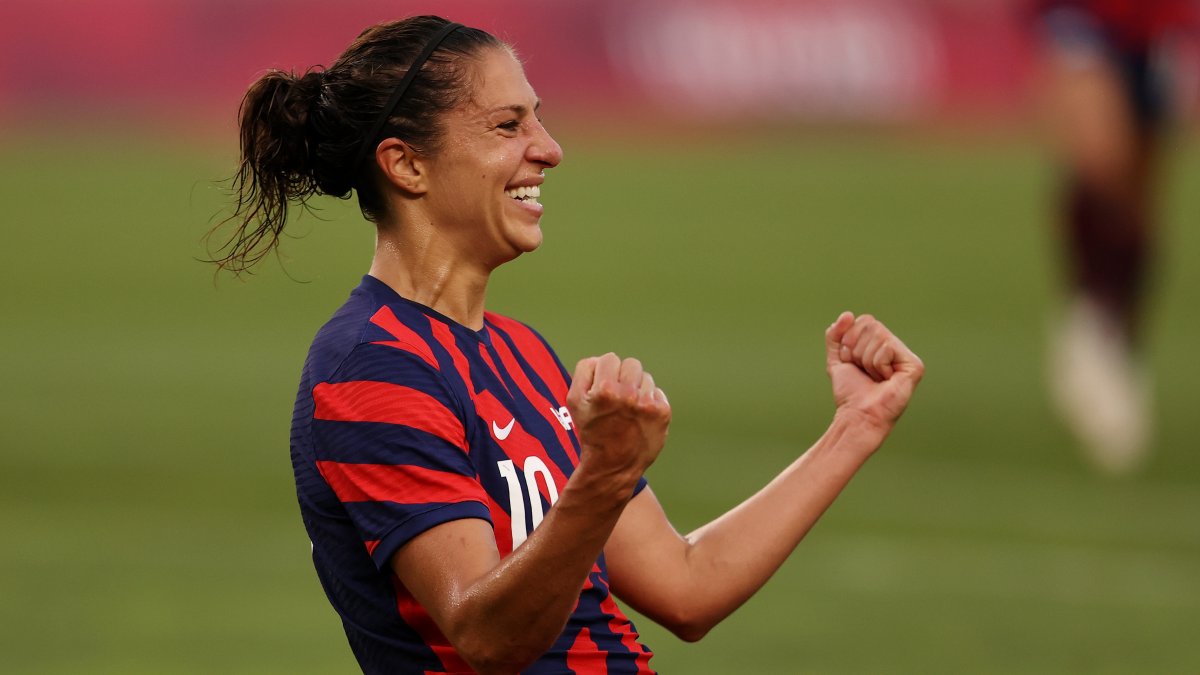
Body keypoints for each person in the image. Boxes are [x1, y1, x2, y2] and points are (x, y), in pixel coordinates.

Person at [212, 15, 924, 675]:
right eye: (507, 124)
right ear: (407, 165)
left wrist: (855, 425)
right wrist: (605, 475)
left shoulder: (520, 352)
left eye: (539, 119)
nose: (548, 149)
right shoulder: (371, 365)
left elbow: (686, 584)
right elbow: (487, 635)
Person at [1032, 0, 1193, 473]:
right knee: (1100, 161)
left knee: (1140, 209)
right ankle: (1087, 323)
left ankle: (1117, 341)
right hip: (1080, 14)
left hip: (1154, 23)